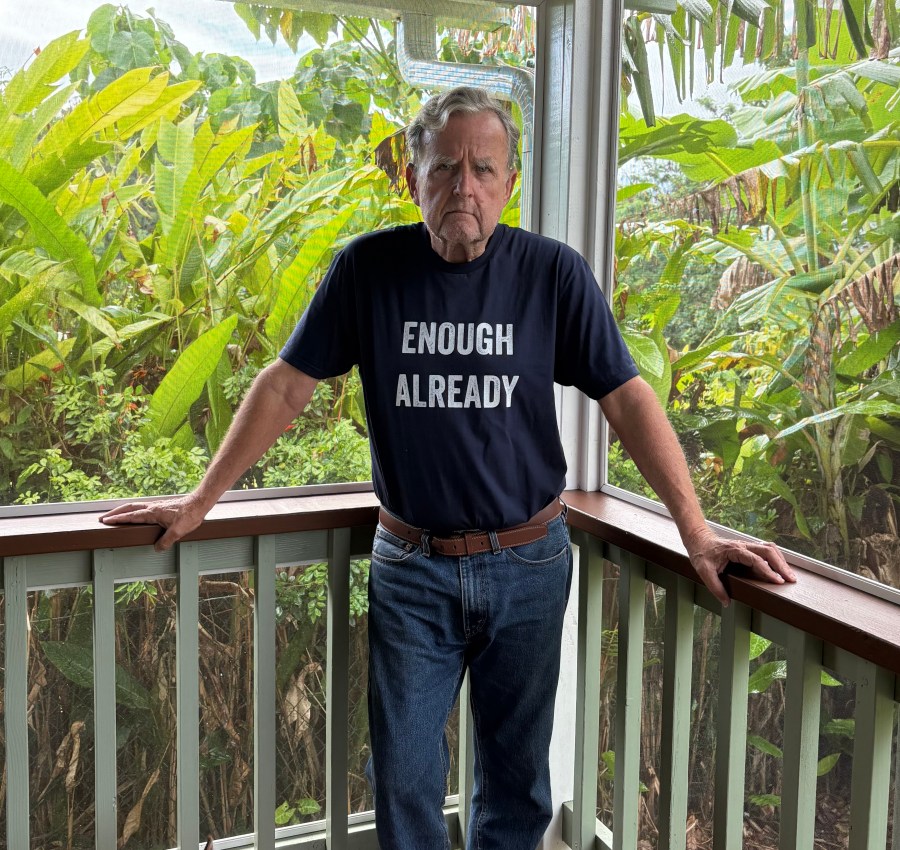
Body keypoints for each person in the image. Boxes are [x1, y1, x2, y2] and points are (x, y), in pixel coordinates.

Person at [101, 86, 796, 849]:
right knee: (403, 778)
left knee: (516, 781)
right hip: (413, 568)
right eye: (445, 167)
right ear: (413, 179)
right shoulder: (368, 270)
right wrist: (198, 502)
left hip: (529, 564)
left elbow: (627, 398)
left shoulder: (552, 275)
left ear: (509, 183)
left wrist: (696, 533)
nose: (464, 185)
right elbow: (285, 387)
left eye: (483, 169)